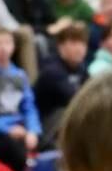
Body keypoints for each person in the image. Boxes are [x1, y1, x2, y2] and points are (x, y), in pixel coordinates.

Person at [0, 26, 40, 171]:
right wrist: (7, 129)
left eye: (7, 42)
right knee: (17, 153)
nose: (3, 48)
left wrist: (33, 130)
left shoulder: (20, 74)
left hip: (21, 127)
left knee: (47, 148)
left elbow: (29, 107)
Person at [33, 20, 89, 148]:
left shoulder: (81, 68)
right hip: (46, 127)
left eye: (83, 43)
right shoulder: (51, 70)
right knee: (71, 111)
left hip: (66, 126)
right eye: (74, 43)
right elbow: (75, 100)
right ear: (61, 46)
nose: (80, 48)